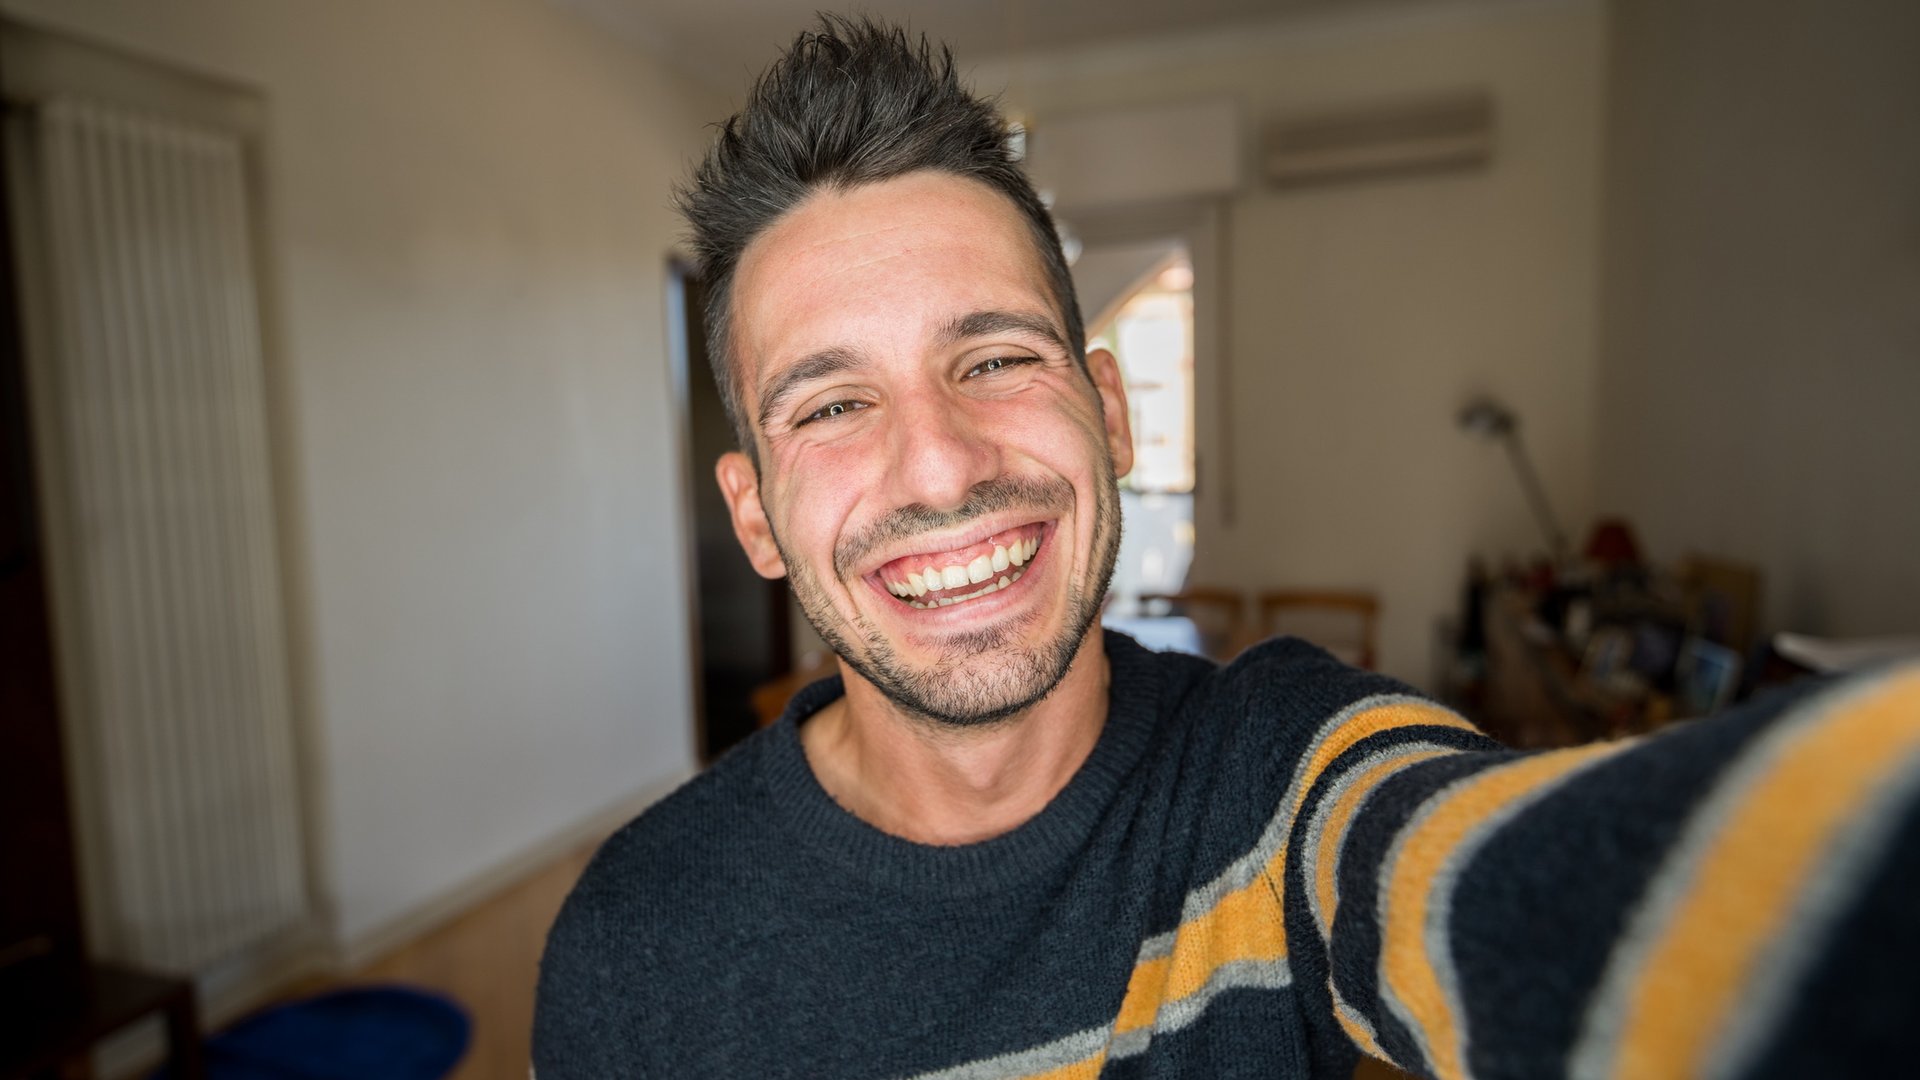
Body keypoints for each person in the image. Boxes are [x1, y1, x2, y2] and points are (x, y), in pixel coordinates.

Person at [532, 16, 1920, 1079]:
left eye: (996, 358)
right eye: (833, 405)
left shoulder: (1279, 780)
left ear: (1110, 412)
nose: (942, 465)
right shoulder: (633, 948)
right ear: (755, 516)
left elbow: (1506, 883)